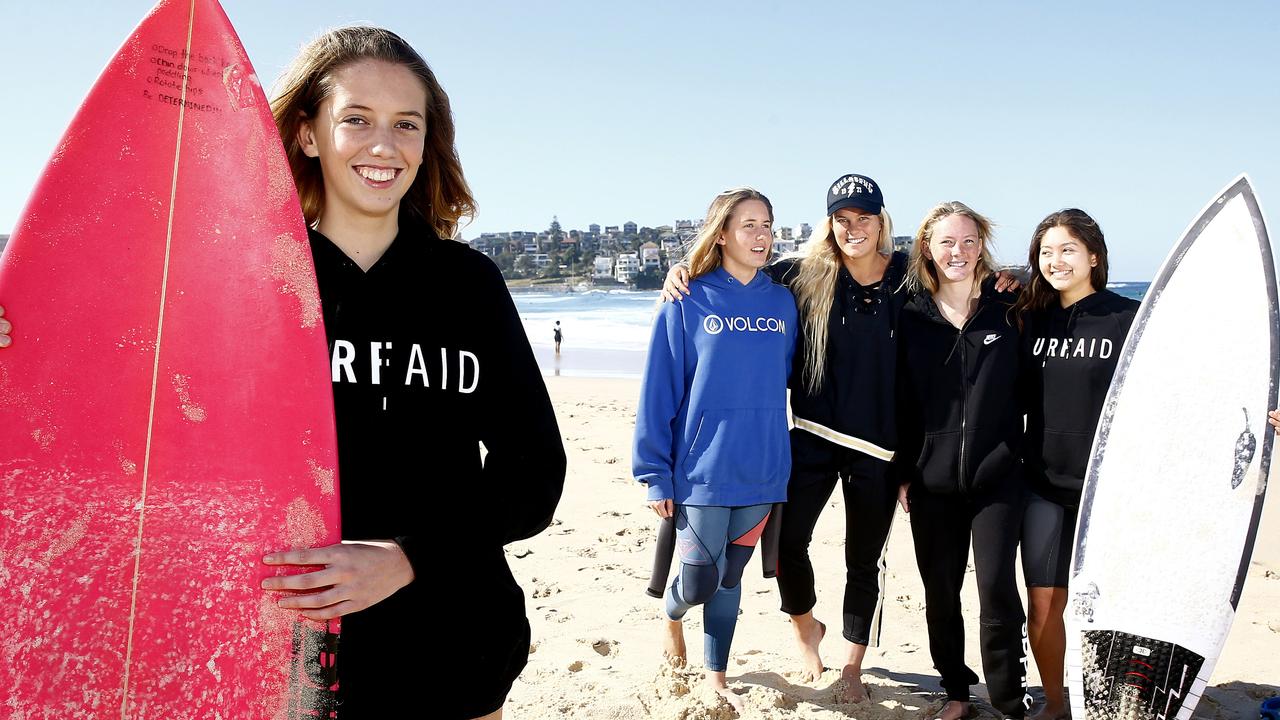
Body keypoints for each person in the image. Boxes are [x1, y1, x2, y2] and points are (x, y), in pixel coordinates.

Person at [254, 27, 567, 719]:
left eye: (406, 124)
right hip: (292, 652)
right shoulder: (257, 283)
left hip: (457, 642)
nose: (383, 145)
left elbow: (534, 472)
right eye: (355, 120)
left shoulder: (468, 285)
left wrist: (407, 556)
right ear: (308, 135)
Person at [663, 175, 1018, 701]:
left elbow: (959, 272)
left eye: (865, 218)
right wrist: (682, 272)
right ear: (830, 225)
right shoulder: (805, 274)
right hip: (810, 435)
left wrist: (1010, 276)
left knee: (864, 559)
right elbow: (739, 269)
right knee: (785, 543)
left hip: (878, 449)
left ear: (882, 223)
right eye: (843, 219)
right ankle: (805, 625)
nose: (854, 228)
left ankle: (852, 663)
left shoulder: (908, 279)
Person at [634, 187, 797, 713]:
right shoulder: (687, 300)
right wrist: (654, 473)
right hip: (702, 468)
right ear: (722, 233)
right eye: (748, 225)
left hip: (764, 466)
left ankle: (716, 674)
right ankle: (672, 616)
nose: (760, 235)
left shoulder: (783, 301)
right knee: (699, 579)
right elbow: (659, 388)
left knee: (731, 578)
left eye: (767, 225)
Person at [895, 201, 1029, 720]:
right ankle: (956, 691)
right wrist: (903, 471)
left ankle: (1008, 697)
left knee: (997, 589)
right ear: (927, 247)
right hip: (931, 481)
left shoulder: (1009, 309)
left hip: (998, 474)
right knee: (941, 591)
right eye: (947, 241)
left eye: (969, 241)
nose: (959, 251)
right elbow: (901, 400)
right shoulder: (909, 316)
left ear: (982, 246)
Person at [1012, 209, 1137, 720]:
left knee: (1107, 610)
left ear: (1094, 256)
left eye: (1067, 249)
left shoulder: (1126, 318)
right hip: (1043, 483)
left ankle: (1110, 702)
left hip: (1107, 490)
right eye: (1046, 252)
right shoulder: (1030, 318)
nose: (1055, 260)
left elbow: (1184, 379)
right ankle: (1058, 702)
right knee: (1043, 602)